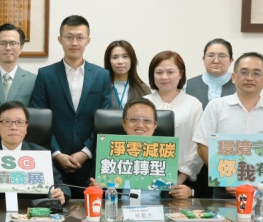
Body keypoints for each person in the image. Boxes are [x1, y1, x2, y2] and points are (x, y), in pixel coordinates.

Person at [30, 15, 110, 197]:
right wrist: (56, 153)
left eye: (80, 37)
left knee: (89, 207)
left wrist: (85, 152)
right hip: (54, 162)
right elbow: (39, 120)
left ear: (88, 40)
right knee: (56, 207)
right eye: (69, 37)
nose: (74, 42)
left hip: (90, 162)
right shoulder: (45, 74)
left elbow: (104, 121)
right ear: (60, 39)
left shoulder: (101, 75)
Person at [193, 52, 263, 197]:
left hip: (261, 193)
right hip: (224, 190)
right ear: (233, 77)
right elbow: (202, 146)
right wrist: (224, 179)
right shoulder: (216, 107)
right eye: (244, 72)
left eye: (256, 73)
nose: (249, 78)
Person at [0, 101, 68, 205]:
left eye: (20, 122)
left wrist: (61, 194)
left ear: (26, 127)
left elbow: (60, 185)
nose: (13, 127)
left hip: (31, 211)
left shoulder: (41, 154)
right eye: (7, 122)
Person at [90, 99, 193, 202]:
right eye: (133, 119)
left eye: (147, 121)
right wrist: (94, 188)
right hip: (117, 209)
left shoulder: (167, 152)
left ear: (155, 126)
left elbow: (177, 191)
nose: (140, 125)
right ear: (124, 124)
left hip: (159, 210)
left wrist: (188, 192)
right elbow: (92, 188)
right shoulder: (107, 151)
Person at [144, 51, 203, 189]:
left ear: (181, 74)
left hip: (183, 178)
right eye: (159, 72)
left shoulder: (194, 104)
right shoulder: (142, 103)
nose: (164, 77)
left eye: (170, 72)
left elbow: (198, 144)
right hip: (144, 173)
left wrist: (180, 177)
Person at [184, 38, 235, 108]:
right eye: (211, 55)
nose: (216, 61)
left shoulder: (240, 85)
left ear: (231, 60)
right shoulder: (187, 85)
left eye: (222, 56)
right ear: (203, 59)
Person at [104, 40, 149, 110]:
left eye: (125, 56)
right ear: (109, 61)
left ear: (132, 60)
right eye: (115, 57)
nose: (120, 61)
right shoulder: (101, 88)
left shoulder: (143, 89)